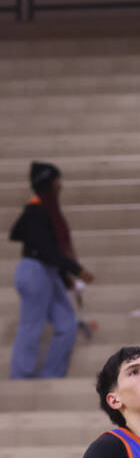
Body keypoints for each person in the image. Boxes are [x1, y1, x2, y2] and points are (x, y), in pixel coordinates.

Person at [8, 160, 93, 379]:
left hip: (48, 272)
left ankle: (51, 375)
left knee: (66, 325)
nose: (60, 186)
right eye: (57, 181)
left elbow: (50, 251)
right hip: (34, 270)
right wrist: (75, 269)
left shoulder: (45, 210)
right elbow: (46, 249)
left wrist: (65, 276)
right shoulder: (36, 210)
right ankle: (20, 375)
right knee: (32, 326)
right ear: (50, 184)